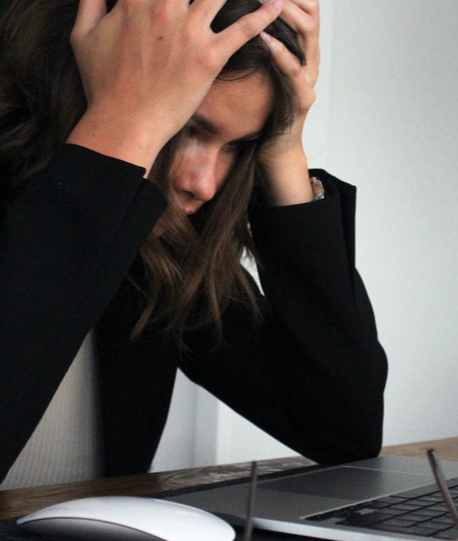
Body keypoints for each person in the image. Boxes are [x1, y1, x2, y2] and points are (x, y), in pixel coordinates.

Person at [0, 0, 387, 489]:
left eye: (236, 146)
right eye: (186, 127)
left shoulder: (158, 255)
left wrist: (284, 147)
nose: (203, 184)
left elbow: (343, 431)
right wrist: (123, 124)